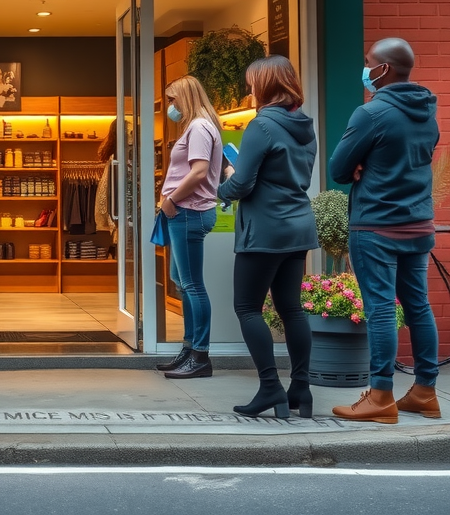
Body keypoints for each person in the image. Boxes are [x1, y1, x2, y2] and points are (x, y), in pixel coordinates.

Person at [328, 37, 441, 423]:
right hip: (418, 223)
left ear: (384, 70)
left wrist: (361, 165)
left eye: (368, 62)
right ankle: (426, 391)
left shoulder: (371, 113)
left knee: (379, 310)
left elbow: (339, 169)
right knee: (419, 306)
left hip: (376, 226)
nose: (365, 69)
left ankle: (380, 396)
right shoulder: (428, 111)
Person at [217, 56, 318, 419]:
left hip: (264, 228)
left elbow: (243, 183)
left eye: (252, 83)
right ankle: (301, 390)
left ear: (266, 85)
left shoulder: (261, 126)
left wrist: (224, 183)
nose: (249, 89)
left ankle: (270, 387)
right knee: (291, 308)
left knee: (247, 307)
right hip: (298, 225)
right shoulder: (304, 126)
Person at [155, 75, 223, 380]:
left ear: (185, 96)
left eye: (172, 99)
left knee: (192, 285)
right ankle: (189, 347)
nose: (171, 106)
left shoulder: (198, 127)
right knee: (181, 282)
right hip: (185, 212)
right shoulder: (201, 126)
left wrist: (170, 200)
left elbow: (198, 172)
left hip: (188, 212)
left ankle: (200, 355)